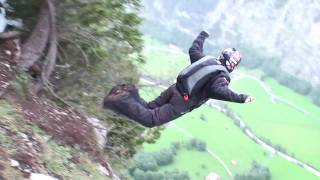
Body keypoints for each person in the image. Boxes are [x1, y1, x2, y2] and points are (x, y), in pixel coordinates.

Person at [103, 31, 255, 128]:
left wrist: (202, 36)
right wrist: (242, 98)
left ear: (222, 55)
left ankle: (129, 92)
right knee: (151, 119)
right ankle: (121, 99)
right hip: (182, 102)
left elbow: (194, 49)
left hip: (174, 89)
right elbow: (218, 90)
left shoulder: (206, 60)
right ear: (232, 65)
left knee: (149, 107)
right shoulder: (222, 76)